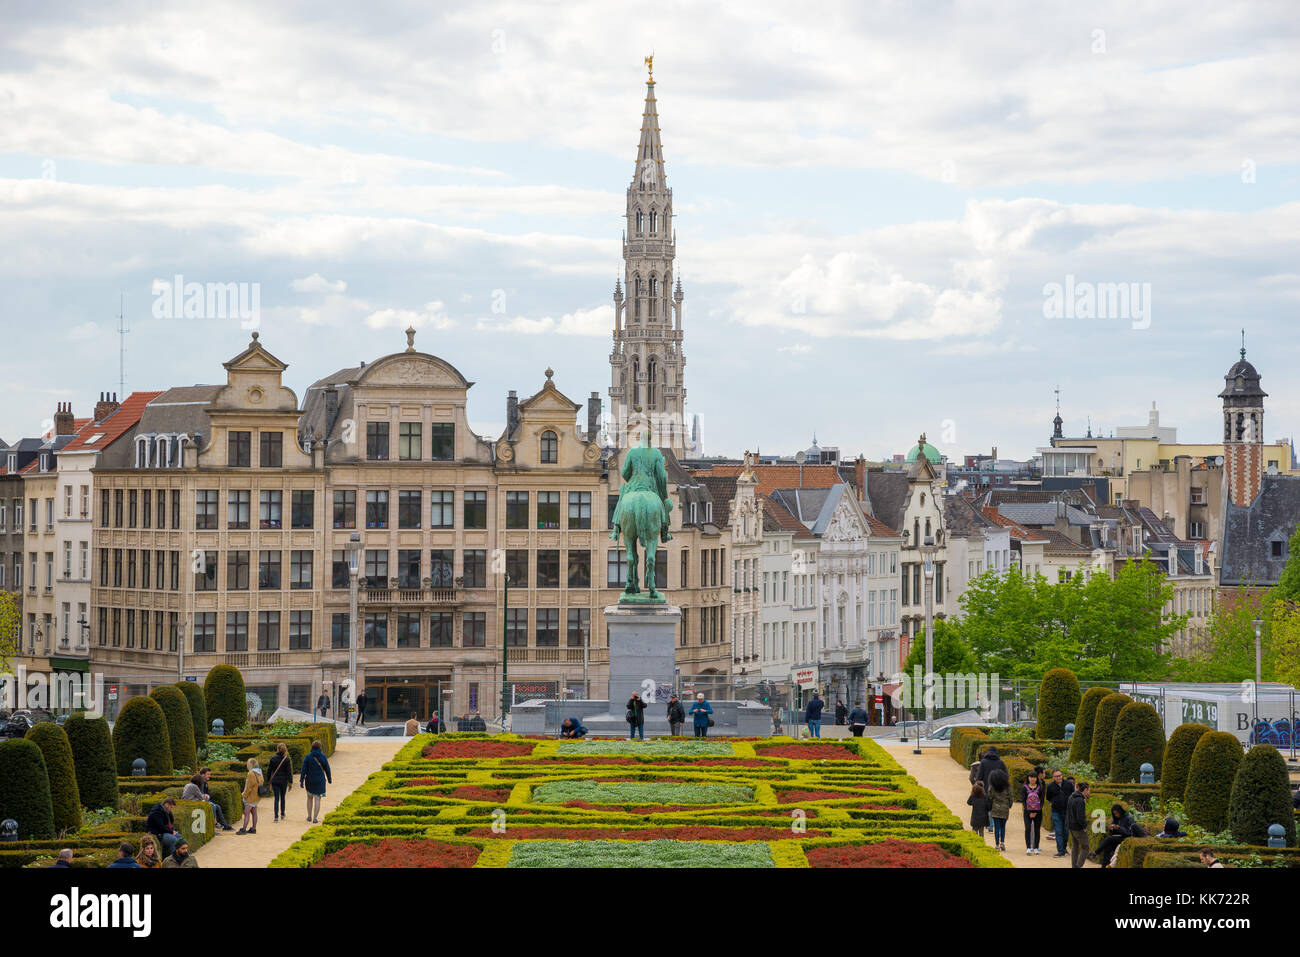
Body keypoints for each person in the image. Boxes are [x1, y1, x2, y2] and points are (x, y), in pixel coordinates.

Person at [1093, 803, 1141, 867]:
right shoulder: (1116, 819)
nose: (1116, 815)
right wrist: (1112, 829)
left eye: (1116, 813)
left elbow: (1130, 832)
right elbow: (1113, 833)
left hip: (1127, 837)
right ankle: (1104, 866)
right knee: (1108, 848)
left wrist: (1119, 828)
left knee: (1109, 839)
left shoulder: (1128, 818)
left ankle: (1095, 852)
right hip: (1119, 838)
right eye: (1114, 814)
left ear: (1120, 811)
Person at [300, 739, 332, 823]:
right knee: (317, 799)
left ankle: (309, 816)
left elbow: (303, 770)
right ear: (320, 747)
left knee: (309, 798)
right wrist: (329, 779)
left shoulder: (308, 757)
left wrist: (301, 780)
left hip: (309, 780)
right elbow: (327, 769)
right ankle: (315, 818)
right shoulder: (323, 756)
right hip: (320, 780)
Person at [1045, 769, 1074, 858]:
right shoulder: (1050, 786)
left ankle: (1064, 849)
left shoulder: (1068, 784)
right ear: (1053, 777)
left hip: (1067, 812)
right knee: (1058, 831)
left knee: (1066, 831)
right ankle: (1060, 851)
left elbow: (1073, 795)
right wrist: (1055, 802)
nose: (1059, 777)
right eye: (1057, 776)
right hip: (1056, 811)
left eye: (1060, 775)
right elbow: (1048, 797)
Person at [199, 767, 236, 831]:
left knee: (217, 807)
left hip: (205, 800)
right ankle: (214, 824)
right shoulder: (200, 782)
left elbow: (207, 794)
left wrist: (207, 796)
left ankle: (225, 826)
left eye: (209, 774)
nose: (209, 776)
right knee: (213, 806)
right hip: (200, 801)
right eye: (208, 774)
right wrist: (206, 797)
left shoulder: (205, 782)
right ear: (203, 775)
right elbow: (200, 795)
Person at [1021, 768, 1045, 855]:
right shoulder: (1024, 788)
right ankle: (1028, 847)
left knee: (1037, 830)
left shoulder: (1041, 788)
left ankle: (1035, 847)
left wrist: (1036, 812)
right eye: (1031, 777)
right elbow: (1023, 801)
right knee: (1027, 829)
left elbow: (1042, 801)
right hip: (1027, 813)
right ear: (1028, 778)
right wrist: (1029, 812)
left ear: (1036, 778)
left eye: (1034, 777)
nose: (1032, 779)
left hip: (1038, 812)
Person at [987, 768, 1012, 852]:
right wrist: (1009, 805)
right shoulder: (1007, 786)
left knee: (996, 827)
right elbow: (1010, 798)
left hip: (995, 808)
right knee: (1003, 827)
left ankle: (997, 844)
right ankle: (1002, 842)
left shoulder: (992, 787)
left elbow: (990, 797)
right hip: (1005, 808)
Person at [267, 743, 293, 823]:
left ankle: (276, 816)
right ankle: (282, 814)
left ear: (277, 749)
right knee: (282, 798)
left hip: (275, 781)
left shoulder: (273, 758)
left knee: (276, 798)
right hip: (283, 781)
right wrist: (290, 782)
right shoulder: (286, 759)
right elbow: (289, 772)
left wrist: (269, 781)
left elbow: (269, 771)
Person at [1067, 782, 1091, 868]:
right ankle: (1078, 866)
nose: (1089, 792)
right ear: (1085, 790)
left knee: (1075, 846)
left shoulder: (1071, 797)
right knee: (1086, 847)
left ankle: (1074, 866)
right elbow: (1080, 817)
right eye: (1089, 790)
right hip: (1078, 827)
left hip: (1071, 826)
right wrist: (1084, 827)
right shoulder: (1080, 800)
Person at [237, 757, 263, 835]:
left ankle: (244, 829)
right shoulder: (260, 772)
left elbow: (249, 787)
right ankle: (253, 828)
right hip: (257, 796)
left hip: (250, 797)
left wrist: (244, 795)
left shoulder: (251, 773)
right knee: (254, 812)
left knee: (246, 813)